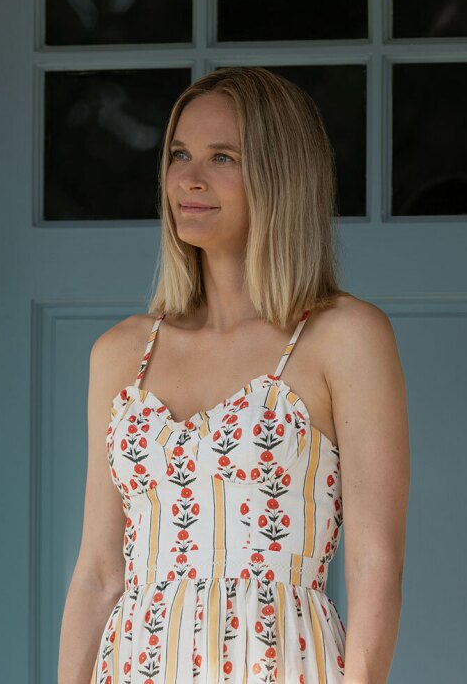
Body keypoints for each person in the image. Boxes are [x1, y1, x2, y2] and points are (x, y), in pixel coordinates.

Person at [58, 66, 409, 684]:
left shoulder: (344, 337)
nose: (188, 179)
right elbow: (98, 570)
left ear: (280, 177)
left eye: (222, 157)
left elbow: (375, 562)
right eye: (179, 155)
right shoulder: (120, 354)